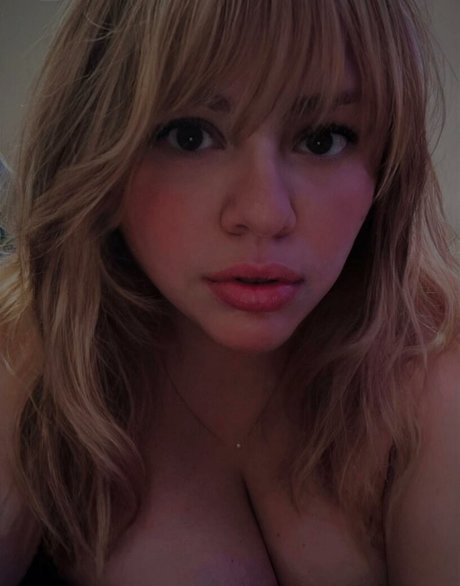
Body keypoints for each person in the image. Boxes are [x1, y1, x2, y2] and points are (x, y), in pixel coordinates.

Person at [1, 0, 459, 584]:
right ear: (97, 151)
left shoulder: (432, 365)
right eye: (190, 136)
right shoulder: (27, 359)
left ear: (389, 167)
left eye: (323, 139)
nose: (264, 213)